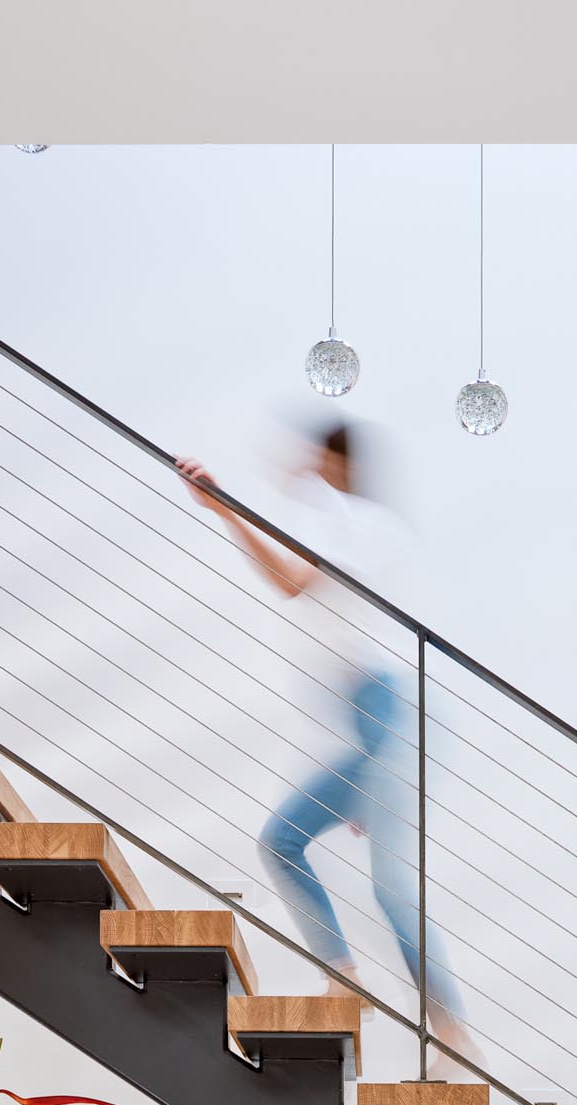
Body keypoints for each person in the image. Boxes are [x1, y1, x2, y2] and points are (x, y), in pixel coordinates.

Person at [175, 421, 478, 1070]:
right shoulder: (338, 525)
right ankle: (344, 979)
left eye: (315, 456)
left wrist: (222, 505)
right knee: (280, 841)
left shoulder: (357, 523)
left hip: (398, 715)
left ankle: (454, 1036)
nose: (302, 466)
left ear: (336, 462)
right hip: (375, 728)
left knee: (392, 887)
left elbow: (288, 580)